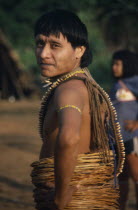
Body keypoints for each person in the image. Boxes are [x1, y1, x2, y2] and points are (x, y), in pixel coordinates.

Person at [31, 10, 125, 210]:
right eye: (40, 43)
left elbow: (69, 138)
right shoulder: (84, 85)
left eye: (55, 45)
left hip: (72, 200)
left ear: (79, 51)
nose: (43, 53)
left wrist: (60, 197)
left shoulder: (69, 90)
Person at [110, 50, 138, 210]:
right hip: (116, 139)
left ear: (127, 65)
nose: (114, 67)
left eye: (117, 64)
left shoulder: (134, 81)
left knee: (136, 175)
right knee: (121, 178)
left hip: (132, 136)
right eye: (113, 64)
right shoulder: (115, 85)